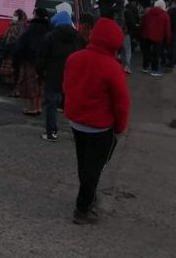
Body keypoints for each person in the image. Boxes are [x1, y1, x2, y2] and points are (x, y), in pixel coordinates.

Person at [63, 18, 130, 225]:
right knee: (95, 167)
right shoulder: (112, 67)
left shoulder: (74, 58)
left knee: (84, 164)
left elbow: (66, 87)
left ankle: (88, 197)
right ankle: (83, 208)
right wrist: (119, 128)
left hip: (76, 122)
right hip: (100, 127)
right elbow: (121, 102)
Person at [37, 10, 86, 142]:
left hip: (53, 75)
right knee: (74, 104)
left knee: (51, 104)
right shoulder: (79, 38)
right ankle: (79, 134)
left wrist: (40, 74)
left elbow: (42, 58)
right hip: (72, 76)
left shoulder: (50, 37)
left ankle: (51, 132)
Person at [13, 7, 50, 115]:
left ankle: (33, 107)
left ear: (36, 15)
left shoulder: (31, 28)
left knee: (31, 82)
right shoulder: (49, 28)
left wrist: (18, 57)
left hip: (31, 59)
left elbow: (22, 43)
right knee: (41, 82)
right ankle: (39, 106)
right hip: (45, 61)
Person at [140, 0, 171, 77]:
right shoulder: (165, 15)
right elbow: (167, 29)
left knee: (146, 52)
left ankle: (145, 67)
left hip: (146, 35)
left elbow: (142, 24)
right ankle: (154, 70)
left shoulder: (147, 13)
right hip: (158, 37)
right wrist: (168, 40)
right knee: (156, 54)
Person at [0, 9, 28, 90]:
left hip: (12, 49)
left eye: (15, 15)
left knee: (11, 68)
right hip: (18, 50)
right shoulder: (25, 26)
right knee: (16, 68)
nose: (14, 16)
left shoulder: (14, 26)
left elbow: (10, 39)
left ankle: (12, 84)